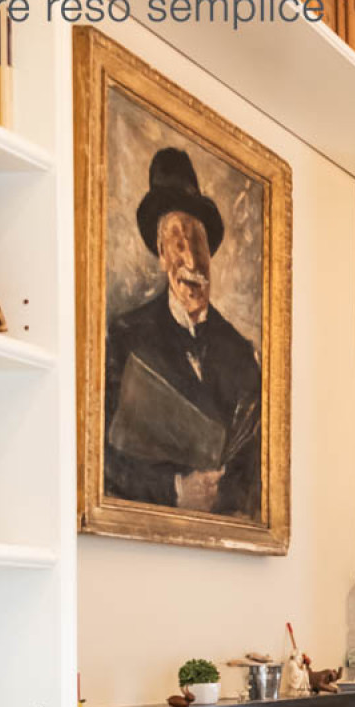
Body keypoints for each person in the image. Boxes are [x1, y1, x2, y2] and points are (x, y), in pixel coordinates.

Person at [103, 146, 263, 515]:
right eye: (178, 241)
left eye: (198, 242)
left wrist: (221, 497)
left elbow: (254, 470)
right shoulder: (126, 338)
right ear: (162, 255)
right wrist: (175, 490)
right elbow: (104, 458)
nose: (191, 259)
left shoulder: (241, 353)